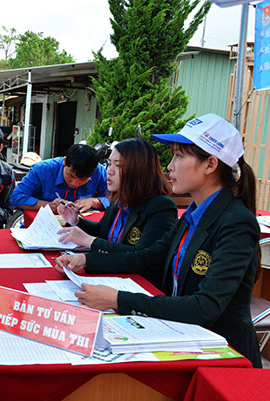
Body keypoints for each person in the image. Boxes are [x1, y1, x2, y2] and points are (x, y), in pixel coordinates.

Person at [54, 114, 262, 367]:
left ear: (210, 164)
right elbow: (148, 257)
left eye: (179, 156)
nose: (170, 166)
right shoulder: (193, 215)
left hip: (223, 354)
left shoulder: (236, 222)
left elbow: (205, 306)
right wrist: (87, 260)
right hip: (181, 339)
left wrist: (118, 300)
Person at [56, 138, 177, 275]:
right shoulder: (120, 198)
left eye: (118, 165)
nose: (110, 171)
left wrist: (90, 243)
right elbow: (103, 230)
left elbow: (144, 258)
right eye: (109, 164)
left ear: (139, 170)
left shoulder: (160, 207)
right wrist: (75, 221)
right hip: (110, 274)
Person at [10, 144, 109, 213]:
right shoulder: (42, 170)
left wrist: (94, 202)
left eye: (83, 179)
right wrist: (48, 205)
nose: (75, 183)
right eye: (71, 176)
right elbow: (16, 197)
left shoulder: (99, 171)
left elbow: (117, 199)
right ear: (65, 161)